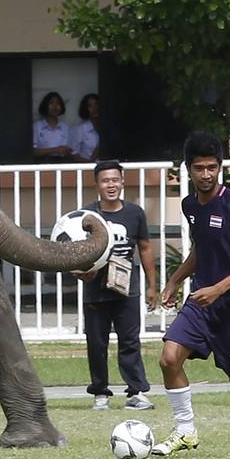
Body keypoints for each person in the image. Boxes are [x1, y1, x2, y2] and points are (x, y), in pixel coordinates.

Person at [152, 132, 230, 458]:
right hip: (200, 301)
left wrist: (219, 288)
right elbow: (201, 249)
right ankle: (185, 430)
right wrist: (174, 281)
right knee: (169, 358)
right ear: (188, 169)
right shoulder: (190, 206)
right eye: (199, 168)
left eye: (212, 168)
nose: (206, 174)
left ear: (220, 168)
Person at [76, 160, 157, 411]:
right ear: (97, 184)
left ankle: (137, 392)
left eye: (115, 180)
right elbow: (74, 251)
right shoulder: (86, 216)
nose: (110, 185)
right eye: (105, 180)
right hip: (95, 291)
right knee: (96, 343)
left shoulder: (135, 213)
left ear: (122, 182)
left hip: (127, 289)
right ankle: (100, 394)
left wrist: (152, 285)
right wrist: (82, 273)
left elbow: (144, 248)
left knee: (130, 340)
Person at [31, 92, 73, 161]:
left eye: (58, 104)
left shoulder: (65, 127)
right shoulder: (36, 126)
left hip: (63, 164)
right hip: (42, 164)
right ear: (45, 105)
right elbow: (33, 151)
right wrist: (56, 150)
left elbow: (71, 150)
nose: (55, 106)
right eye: (51, 103)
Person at [71, 94, 101, 162]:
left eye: (96, 104)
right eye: (90, 106)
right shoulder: (80, 129)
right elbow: (74, 155)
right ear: (85, 109)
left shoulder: (108, 128)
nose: (95, 108)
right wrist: (89, 163)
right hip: (88, 168)